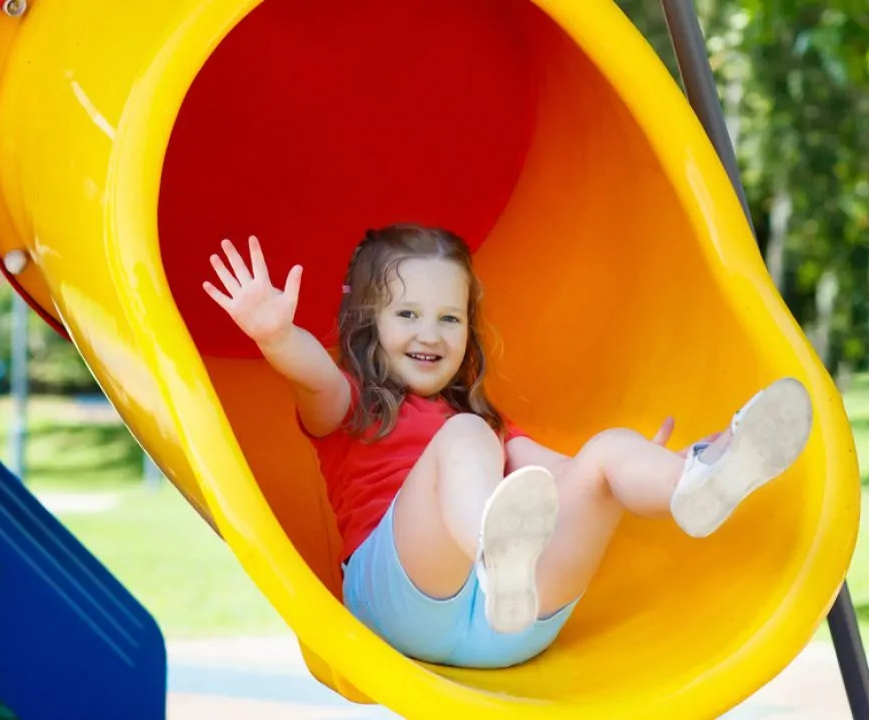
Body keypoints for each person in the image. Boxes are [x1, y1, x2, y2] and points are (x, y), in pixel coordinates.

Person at [202, 224, 813, 669]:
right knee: (464, 438)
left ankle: (696, 481)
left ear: (469, 329)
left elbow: (572, 480)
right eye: (408, 313)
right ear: (368, 322)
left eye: (450, 317)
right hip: (400, 603)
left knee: (603, 454)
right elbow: (313, 378)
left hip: (513, 625)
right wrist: (277, 335)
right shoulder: (353, 404)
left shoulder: (486, 425)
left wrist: (645, 465)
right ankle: (495, 559)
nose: (430, 333)